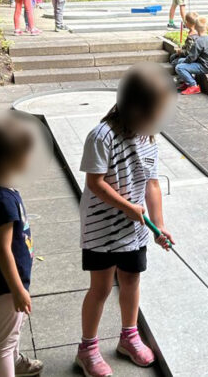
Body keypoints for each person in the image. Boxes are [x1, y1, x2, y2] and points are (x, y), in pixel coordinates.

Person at [75, 65, 175, 377]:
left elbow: (152, 184)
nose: (156, 120)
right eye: (154, 112)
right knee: (102, 288)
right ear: (135, 108)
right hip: (101, 230)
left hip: (134, 231)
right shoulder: (101, 136)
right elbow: (96, 183)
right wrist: (129, 207)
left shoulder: (148, 139)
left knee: (131, 281)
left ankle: (128, 337)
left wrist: (158, 225)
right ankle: (87, 348)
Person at [0, 113, 44, 377]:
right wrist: (17, 290)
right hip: (7, 284)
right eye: (25, 153)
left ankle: (16, 363)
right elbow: (2, 250)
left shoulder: (0, 189)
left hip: (9, 281)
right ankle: (10, 364)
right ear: (7, 160)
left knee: (12, 332)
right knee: (5, 343)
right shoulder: (2, 199)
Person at [174, 16, 208, 95]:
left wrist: (185, 62)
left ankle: (193, 86)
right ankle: (187, 82)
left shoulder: (198, 41)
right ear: (207, 27)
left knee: (179, 67)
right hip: (207, 63)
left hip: (205, 66)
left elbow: (191, 57)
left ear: (195, 27)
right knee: (180, 61)